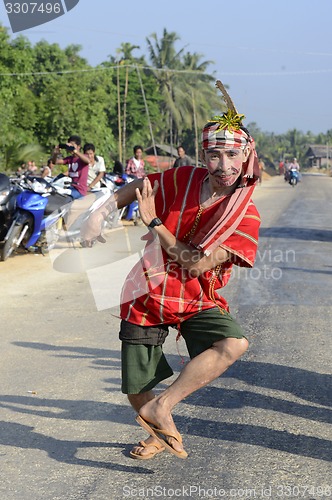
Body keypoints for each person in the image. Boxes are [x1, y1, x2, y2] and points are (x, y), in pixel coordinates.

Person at [82, 80, 261, 460]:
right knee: (135, 386)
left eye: (231, 156)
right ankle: (158, 431)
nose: (223, 166)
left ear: (246, 156)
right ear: (203, 155)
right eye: (214, 155)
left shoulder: (245, 214)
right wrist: (99, 213)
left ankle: (164, 406)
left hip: (196, 296)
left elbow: (195, 265)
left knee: (234, 343)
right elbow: (140, 185)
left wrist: (154, 223)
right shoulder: (185, 178)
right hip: (146, 291)